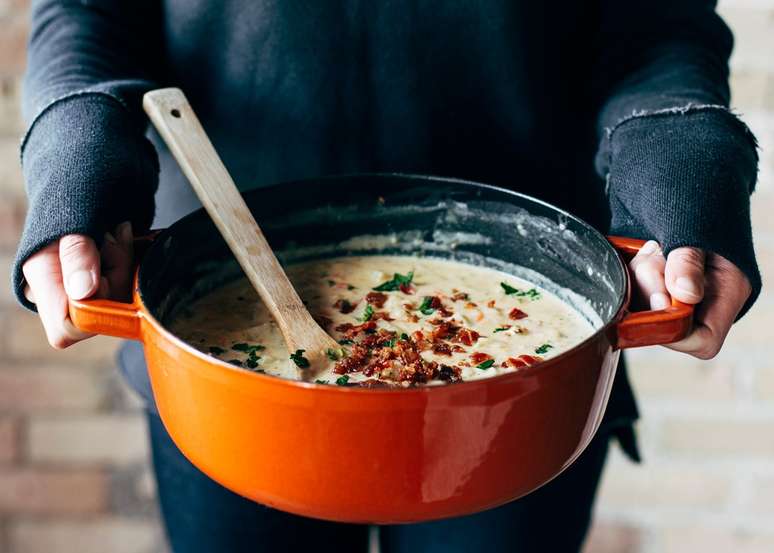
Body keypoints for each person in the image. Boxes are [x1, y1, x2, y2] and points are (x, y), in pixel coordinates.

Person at [12, 1, 759, 552]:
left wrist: (682, 163)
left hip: (526, 372)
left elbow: (656, 23)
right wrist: (81, 158)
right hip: (215, 349)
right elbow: (87, 13)